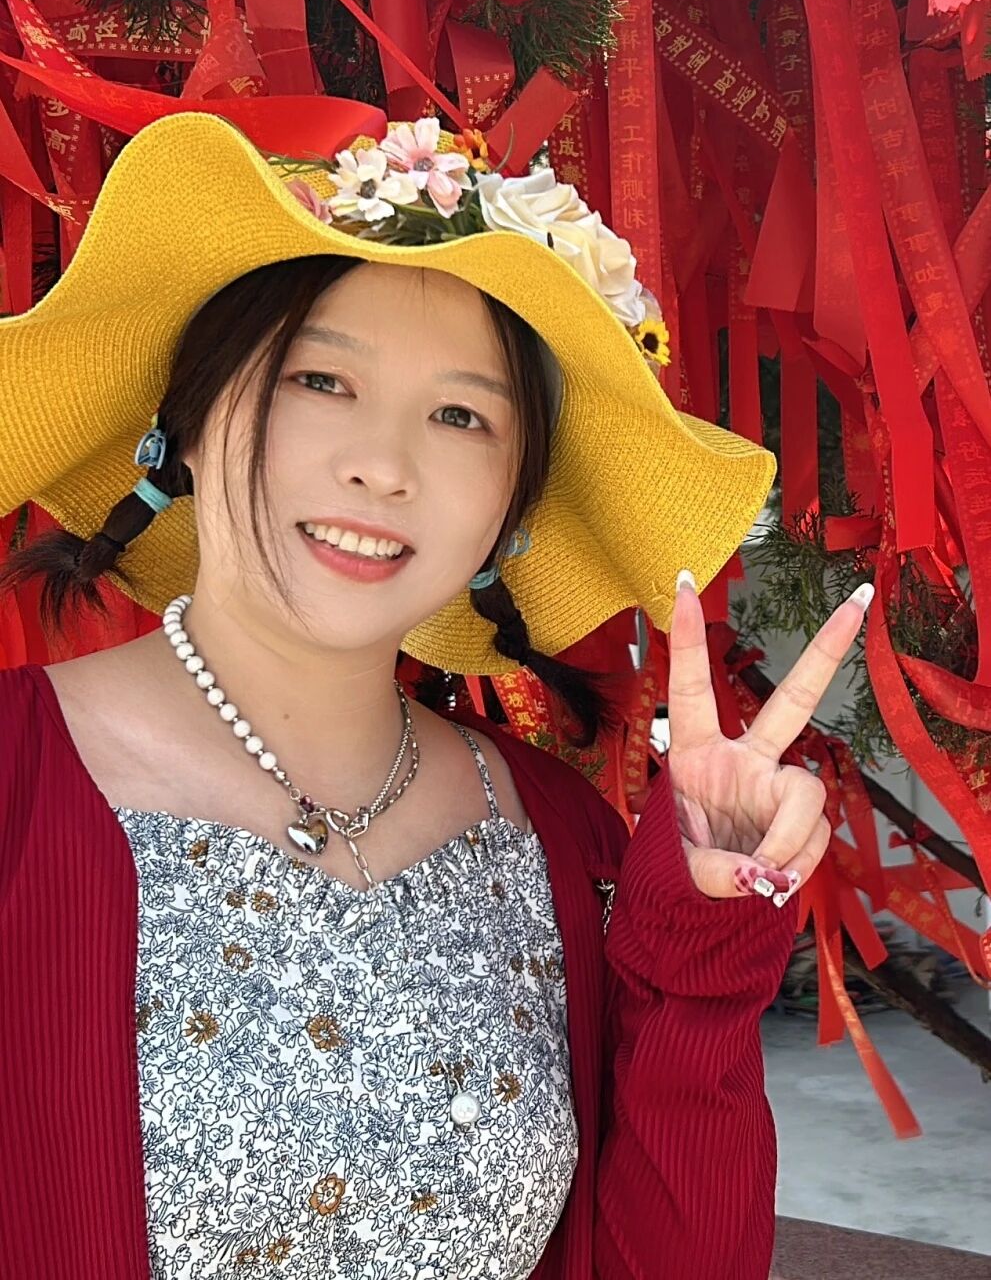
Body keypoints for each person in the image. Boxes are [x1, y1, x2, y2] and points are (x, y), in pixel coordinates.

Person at [0, 112, 870, 1280]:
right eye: (320, 378)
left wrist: (701, 950)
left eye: (461, 414)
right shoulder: (17, 782)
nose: (384, 465)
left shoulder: (559, 835)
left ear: (510, 506)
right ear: (186, 424)